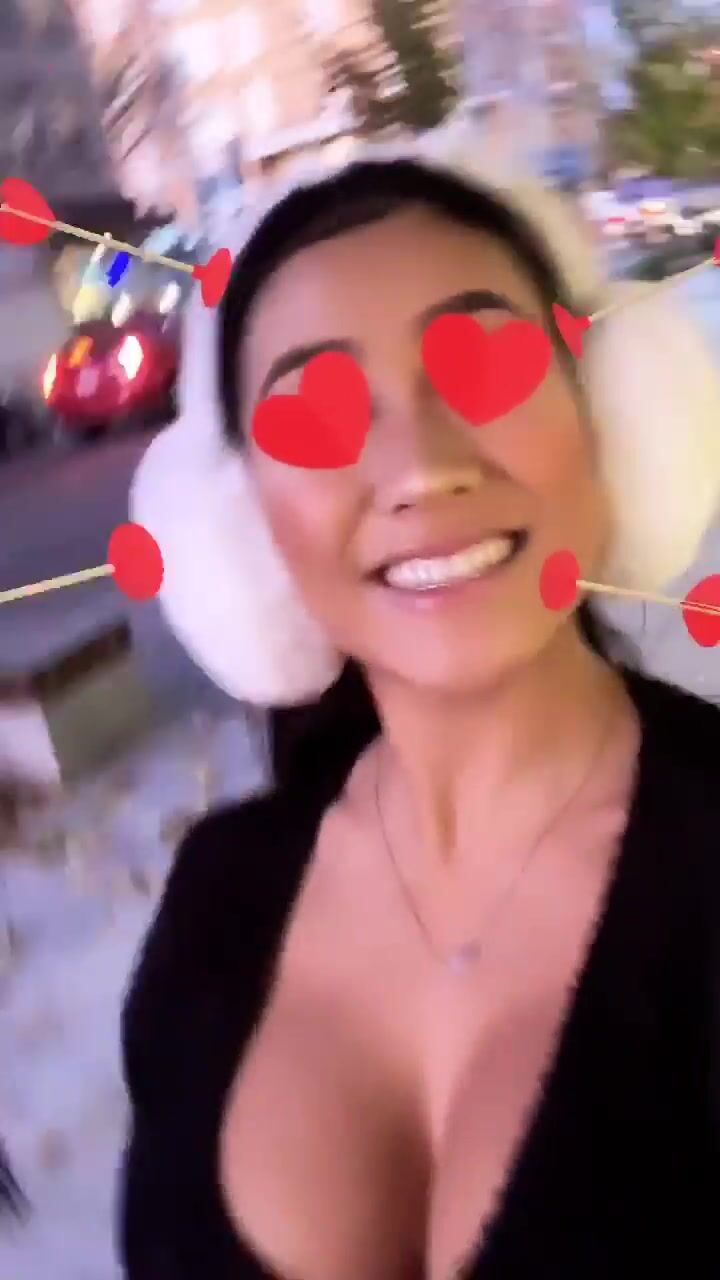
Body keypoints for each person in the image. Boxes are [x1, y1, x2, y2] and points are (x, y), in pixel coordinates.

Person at [120, 120, 720, 1279]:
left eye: (486, 366)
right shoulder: (214, 904)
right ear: (243, 528)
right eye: (315, 411)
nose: (421, 465)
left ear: (612, 416)